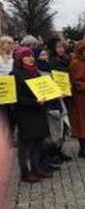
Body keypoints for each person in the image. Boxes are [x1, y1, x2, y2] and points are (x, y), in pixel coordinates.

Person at [12, 47, 51, 183]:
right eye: (26, 56)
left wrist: (54, 93)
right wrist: (34, 102)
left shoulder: (35, 72)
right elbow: (16, 98)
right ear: (19, 59)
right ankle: (25, 172)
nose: (30, 58)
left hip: (38, 112)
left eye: (31, 56)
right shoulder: (15, 74)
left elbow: (44, 89)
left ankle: (36, 168)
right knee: (26, 145)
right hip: (25, 113)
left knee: (38, 141)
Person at [0, 36, 15, 133]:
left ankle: (10, 136)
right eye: (8, 43)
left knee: (11, 115)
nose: (10, 45)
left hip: (11, 91)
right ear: (1, 45)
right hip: (1, 90)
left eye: (12, 43)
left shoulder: (13, 59)